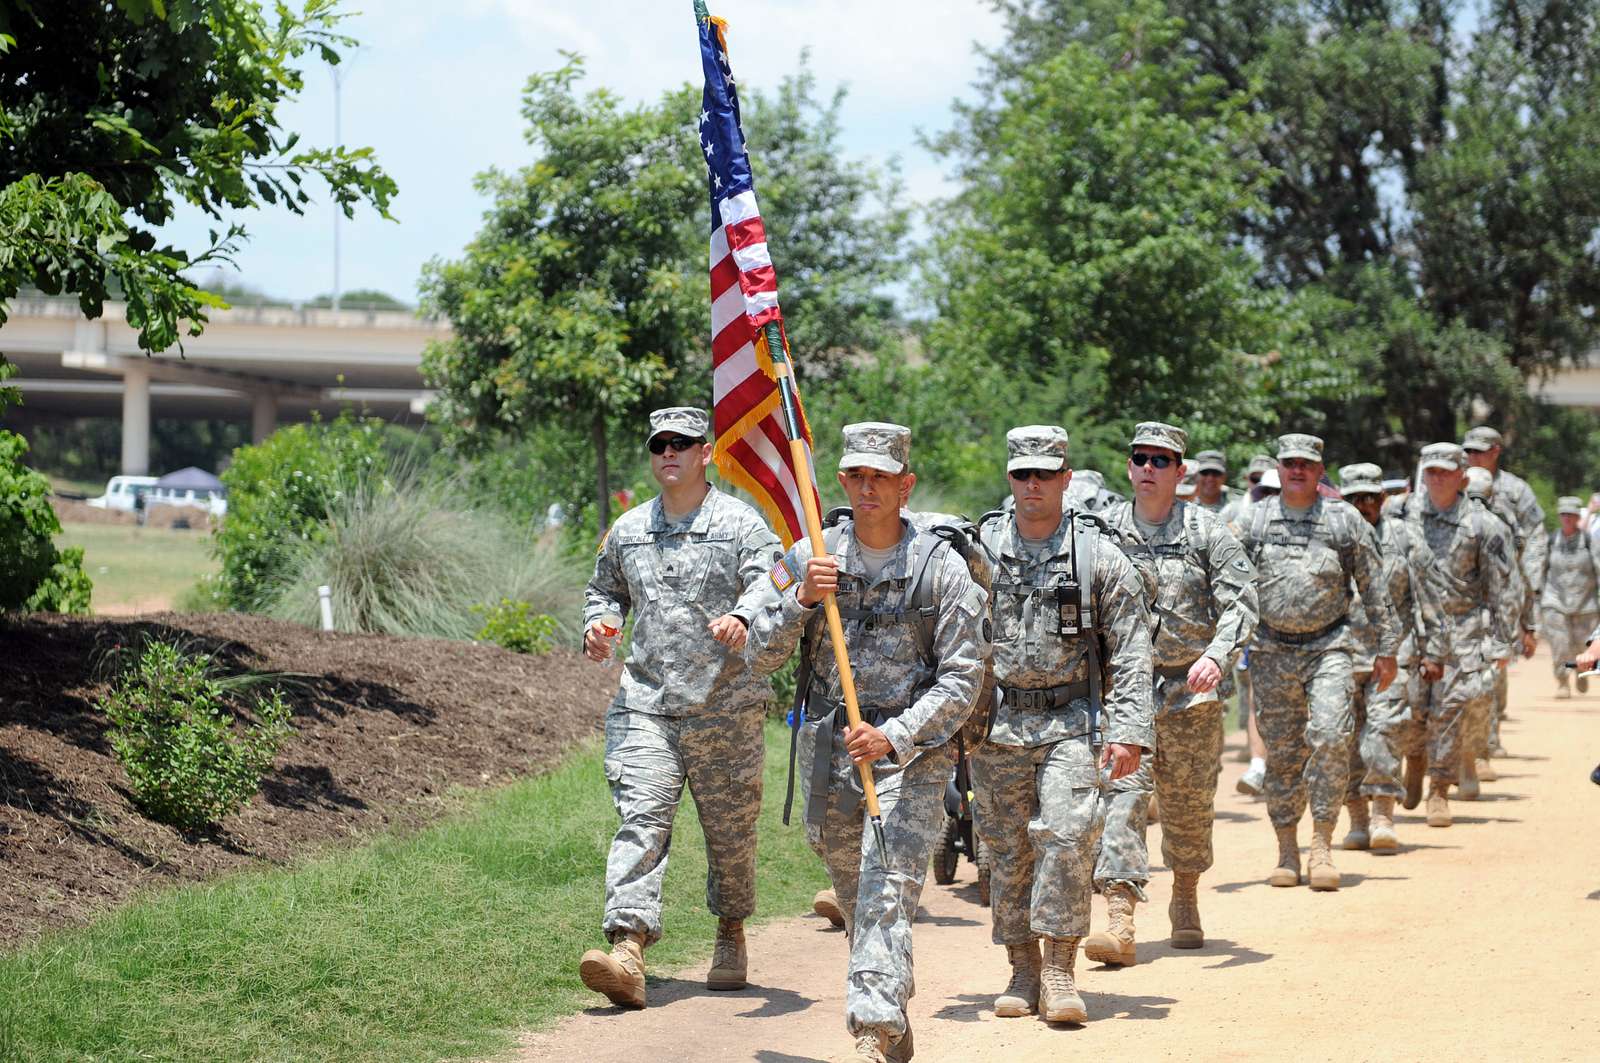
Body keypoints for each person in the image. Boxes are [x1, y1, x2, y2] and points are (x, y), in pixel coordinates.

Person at [745, 422, 988, 1063]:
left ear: (905, 485)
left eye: (881, 477)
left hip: (912, 753)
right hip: (833, 748)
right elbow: (758, 657)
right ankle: (889, 1006)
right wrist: (801, 599)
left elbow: (964, 677)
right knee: (854, 892)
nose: (867, 487)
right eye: (856, 475)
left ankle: (873, 1031)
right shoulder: (812, 555)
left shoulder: (943, 569)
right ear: (843, 481)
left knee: (887, 885)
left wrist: (896, 735)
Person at [577, 407, 784, 1008]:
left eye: (682, 443)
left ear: (706, 454)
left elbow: (771, 580)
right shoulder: (630, 529)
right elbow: (603, 589)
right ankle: (628, 950)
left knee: (731, 837)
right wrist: (600, 624)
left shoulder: (740, 523)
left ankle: (731, 928)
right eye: (659, 444)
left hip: (727, 710)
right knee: (641, 822)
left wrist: (745, 616)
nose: (669, 452)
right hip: (647, 705)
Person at [968, 425, 1153, 1022]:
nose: (1032, 485)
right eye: (1021, 473)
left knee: (1069, 838)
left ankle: (1059, 968)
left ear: (1065, 480)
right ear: (1010, 478)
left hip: (1074, 721)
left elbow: (1130, 648)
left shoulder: (1096, 553)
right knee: (1004, 851)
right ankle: (1021, 966)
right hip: (997, 723)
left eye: (1044, 474)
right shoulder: (980, 549)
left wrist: (1130, 732)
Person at [1084, 422, 1256, 963]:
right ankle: (1120, 916)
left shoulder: (1207, 531)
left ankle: (1185, 892)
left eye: (1162, 461)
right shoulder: (1100, 530)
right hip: (1123, 690)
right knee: (1122, 799)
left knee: (1187, 806)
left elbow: (1243, 601)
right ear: (1129, 467)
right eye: (1141, 459)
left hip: (1189, 689)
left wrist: (1215, 654)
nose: (1150, 469)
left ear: (1181, 473)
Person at [1235, 434, 1400, 890]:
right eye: (1289, 463)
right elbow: (1233, 585)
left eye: (1306, 464)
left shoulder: (1343, 520)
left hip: (1329, 646)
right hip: (1271, 649)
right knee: (1283, 751)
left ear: (1319, 468)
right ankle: (1287, 849)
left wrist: (1387, 649)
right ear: (1279, 468)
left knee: (1330, 736)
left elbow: (1374, 586)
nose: (1297, 471)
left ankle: (1322, 843)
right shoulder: (1255, 520)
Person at [1398, 444, 1515, 828]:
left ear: (1462, 477)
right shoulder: (1402, 515)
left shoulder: (1483, 525)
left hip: (1461, 629)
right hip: (1411, 629)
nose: (1436, 478)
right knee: (1411, 707)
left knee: (1448, 711)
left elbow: (1502, 587)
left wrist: (1500, 642)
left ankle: (1439, 790)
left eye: (1445, 472)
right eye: (1430, 471)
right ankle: (1414, 760)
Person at [1336, 463, 1440, 852]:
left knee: (1381, 731)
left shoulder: (1406, 538)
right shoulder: (1330, 538)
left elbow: (1429, 598)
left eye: (1370, 498)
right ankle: (1357, 818)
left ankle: (1382, 814)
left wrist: (1433, 650)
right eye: (1354, 498)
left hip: (1394, 653)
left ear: (1383, 499)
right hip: (1340, 654)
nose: (1363, 505)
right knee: (1344, 740)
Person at [1462, 427, 1544, 751]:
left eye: (1479, 451)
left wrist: (1530, 591)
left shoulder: (1516, 490)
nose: (1472, 457)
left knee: (1492, 662)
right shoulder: (1454, 482)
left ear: (1496, 451)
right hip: (1462, 592)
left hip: (1504, 586)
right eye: (1468, 451)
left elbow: (1534, 539)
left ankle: (1484, 740)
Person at [1461, 467, 1525, 791]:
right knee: (1475, 693)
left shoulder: (1494, 527)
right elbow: (1512, 587)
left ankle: (1472, 759)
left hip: (1476, 622)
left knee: (1473, 691)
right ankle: (1467, 759)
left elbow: (1507, 583)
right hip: (1469, 623)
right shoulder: (1441, 521)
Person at [1542, 496, 1600, 700]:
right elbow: (1540, 570)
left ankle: (1579, 670)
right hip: (1555, 601)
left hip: (1586, 604)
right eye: (1563, 514)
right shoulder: (1550, 541)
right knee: (1560, 644)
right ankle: (1562, 681)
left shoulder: (1589, 541)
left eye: (1571, 515)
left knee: (1581, 646)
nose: (1567, 518)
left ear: (1578, 517)